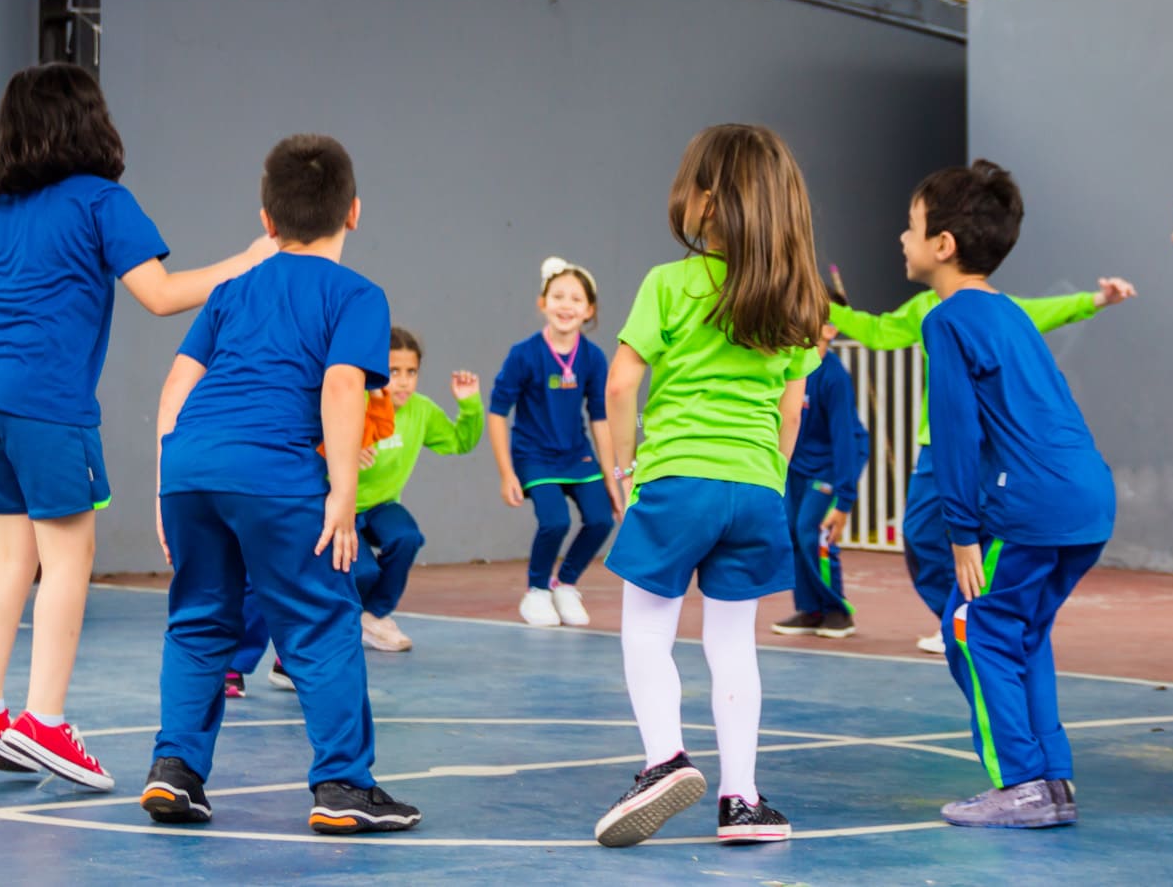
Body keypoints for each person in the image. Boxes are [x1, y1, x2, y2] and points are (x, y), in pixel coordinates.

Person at [0, 63, 273, 790]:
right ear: (88, 121)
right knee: (67, 556)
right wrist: (246, 263)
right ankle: (45, 720)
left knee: (10, 552)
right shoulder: (103, 201)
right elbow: (159, 294)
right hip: (47, 397)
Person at [141, 134, 420, 834]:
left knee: (200, 616)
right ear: (352, 212)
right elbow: (341, 384)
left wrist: (162, 488)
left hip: (191, 464)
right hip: (273, 467)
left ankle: (175, 773)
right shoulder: (357, 293)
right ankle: (344, 787)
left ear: (265, 219)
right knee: (322, 619)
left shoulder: (233, 289)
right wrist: (344, 496)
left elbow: (177, 384)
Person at [594, 123, 824, 848]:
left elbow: (622, 380)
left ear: (706, 199)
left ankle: (664, 757)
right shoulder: (794, 300)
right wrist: (770, 476)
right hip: (757, 489)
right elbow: (793, 408)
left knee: (647, 630)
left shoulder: (670, 282)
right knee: (734, 644)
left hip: (677, 479)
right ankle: (742, 799)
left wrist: (624, 467)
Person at [911, 161, 1116, 829]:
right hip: (1086, 499)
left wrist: (962, 529)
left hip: (1026, 504)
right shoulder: (1010, 313)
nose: (901, 238)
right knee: (1022, 633)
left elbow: (956, 429)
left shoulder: (946, 320)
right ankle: (1052, 780)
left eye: (911, 227)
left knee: (973, 627)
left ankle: (1022, 780)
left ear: (943, 245)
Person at [830, 278, 1134, 649]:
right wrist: (826, 308)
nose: (905, 241)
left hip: (992, 452)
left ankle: (975, 623)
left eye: (914, 229)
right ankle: (964, 618)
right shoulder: (926, 307)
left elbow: (1044, 312)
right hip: (941, 444)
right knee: (922, 534)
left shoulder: (997, 309)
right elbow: (878, 333)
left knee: (976, 540)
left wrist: (1096, 299)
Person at [487, 258, 615, 628]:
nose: (566, 305)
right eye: (557, 296)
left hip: (577, 454)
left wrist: (612, 475)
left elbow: (601, 418)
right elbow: (497, 413)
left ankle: (566, 583)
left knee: (601, 520)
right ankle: (537, 590)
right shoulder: (524, 354)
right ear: (542, 302)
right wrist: (506, 472)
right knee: (555, 521)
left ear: (588, 310)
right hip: (534, 457)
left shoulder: (593, 358)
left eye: (576, 299)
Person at [353, 328, 484, 652]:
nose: (403, 381)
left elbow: (459, 442)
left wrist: (469, 407)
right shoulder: (355, 402)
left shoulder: (421, 410)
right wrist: (345, 454)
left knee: (406, 536)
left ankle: (374, 616)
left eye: (411, 372)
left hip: (382, 504)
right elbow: (315, 448)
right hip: (341, 506)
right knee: (365, 571)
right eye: (393, 371)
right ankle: (347, 621)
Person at [772, 310, 870, 638]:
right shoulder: (790, 368)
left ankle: (837, 610)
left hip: (830, 464)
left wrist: (845, 498)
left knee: (811, 530)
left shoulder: (834, 377)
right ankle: (810, 609)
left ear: (831, 329)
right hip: (796, 466)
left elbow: (845, 437)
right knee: (791, 531)